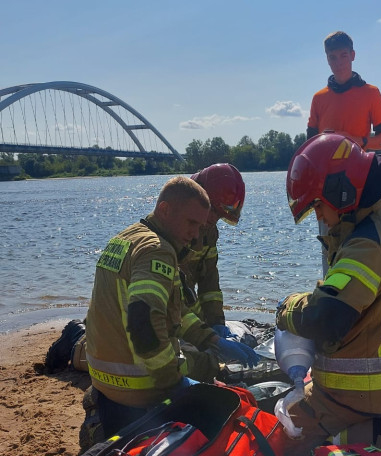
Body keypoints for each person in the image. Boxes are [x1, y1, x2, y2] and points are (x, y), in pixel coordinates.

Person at [276, 133, 381, 456]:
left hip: (358, 392)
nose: (318, 216)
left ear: (339, 192)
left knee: (277, 434)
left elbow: (327, 319)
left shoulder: (365, 246)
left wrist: (288, 309)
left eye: (317, 205)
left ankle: (363, 438)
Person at [85, 176, 257, 438]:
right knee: (227, 422)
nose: (195, 234)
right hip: (140, 390)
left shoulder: (125, 238)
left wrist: (210, 338)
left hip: (104, 383)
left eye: (200, 226)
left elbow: (172, 311)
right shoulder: (158, 251)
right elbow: (144, 322)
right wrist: (174, 384)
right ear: (164, 209)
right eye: (191, 223)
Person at [180, 163, 249, 340]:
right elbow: (173, 294)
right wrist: (203, 333)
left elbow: (209, 282)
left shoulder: (209, 233)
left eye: (219, 215)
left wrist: (216, 322)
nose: (213, 219)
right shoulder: (174, 229)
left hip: (187, 316)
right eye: (211, 210)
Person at [307, 30, 381, 150]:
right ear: (327, 60)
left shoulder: (371, 93)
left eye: (343, 56)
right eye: (333, 57)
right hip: (325, 167)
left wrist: (355, 140)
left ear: (352, 55)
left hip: (358, 166)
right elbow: (310, 145)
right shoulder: (318, 98)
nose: (339, 63)